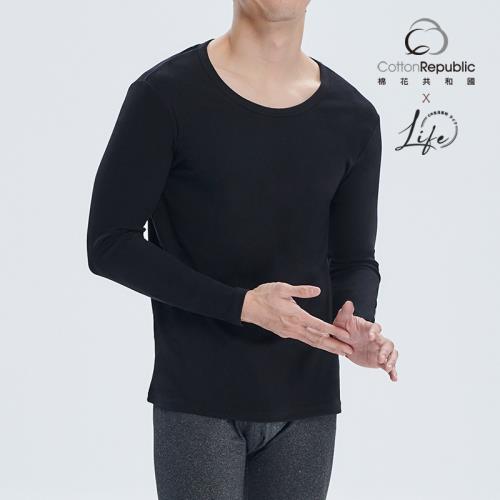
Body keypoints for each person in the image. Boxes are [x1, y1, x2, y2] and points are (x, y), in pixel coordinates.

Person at [86, 0, 399, 498]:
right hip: (199, 397)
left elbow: (355, 258)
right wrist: (243, 306)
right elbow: (109, 243)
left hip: (307, 404)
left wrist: (355, 316)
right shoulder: (164, 96)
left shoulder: (354, 117)